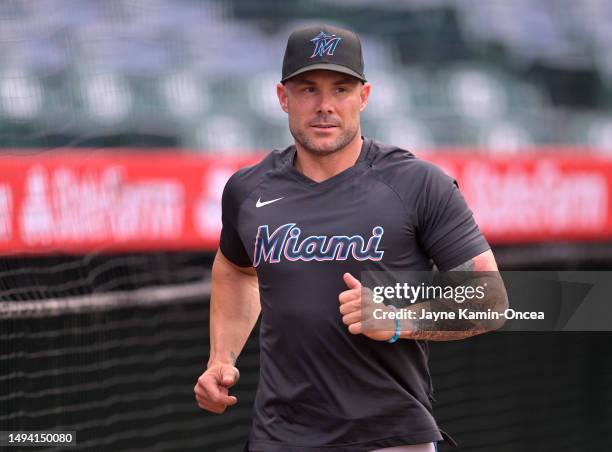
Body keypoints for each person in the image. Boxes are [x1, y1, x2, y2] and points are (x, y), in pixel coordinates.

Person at [194, 24, 508, 452]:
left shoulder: (417, 183)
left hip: (390, 437)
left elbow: (489, 300)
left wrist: (399, 320)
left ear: (363, 97)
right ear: (283, 97)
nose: (325, 106)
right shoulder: (248, 190)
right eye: (308, 90)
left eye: (341, 89)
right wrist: (221, 359)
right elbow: (236, 269)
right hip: (280, 437)